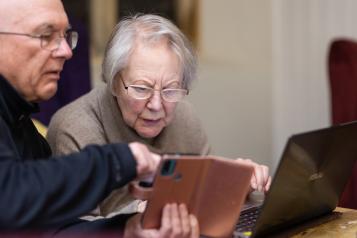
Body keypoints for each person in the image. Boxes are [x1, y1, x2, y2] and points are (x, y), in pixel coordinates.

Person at [0, 1, 199, 237]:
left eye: (65, 36)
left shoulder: (22, 125)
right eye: (46, 35)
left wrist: (129, 229)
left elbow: (51, 231)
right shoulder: (70, 125)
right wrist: (122, 160)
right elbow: (9, 197)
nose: (67, 51)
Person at [47, 14, 271, 218]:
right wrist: (142, 213)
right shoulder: (73, 128)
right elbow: (76, 228)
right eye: (142, 89)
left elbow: (205, 201)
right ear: (114, 82)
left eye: (170, 89)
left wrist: (238, 187)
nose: (156, 105)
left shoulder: (184, 115)